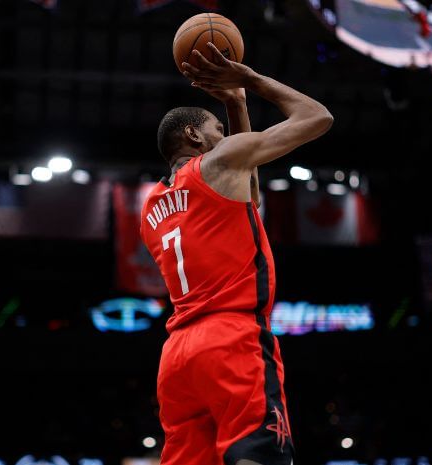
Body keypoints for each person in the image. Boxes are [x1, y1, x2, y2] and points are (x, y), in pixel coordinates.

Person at [139, 42, 333, 465]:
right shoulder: (220, 162)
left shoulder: (151, 207)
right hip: (231, 337)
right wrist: (250, 79)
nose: (224, 138)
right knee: (260, 456)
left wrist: (235, 107)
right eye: (218, 131)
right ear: (193, 135)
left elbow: (247, 196)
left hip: (178, 356)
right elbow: (318, 117)